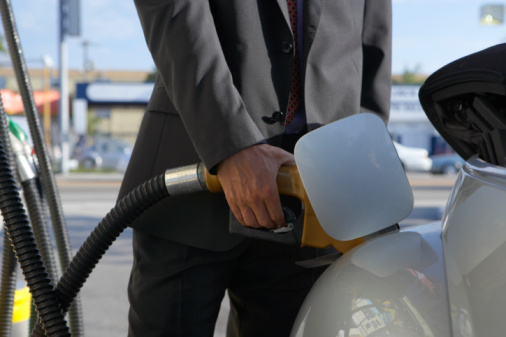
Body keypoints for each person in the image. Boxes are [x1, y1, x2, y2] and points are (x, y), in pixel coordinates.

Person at [118, 1, 392, 336]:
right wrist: (232, 145)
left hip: (314, 196)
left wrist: (358, 149)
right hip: (194, 179)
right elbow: (176, 13)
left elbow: (373, 42)